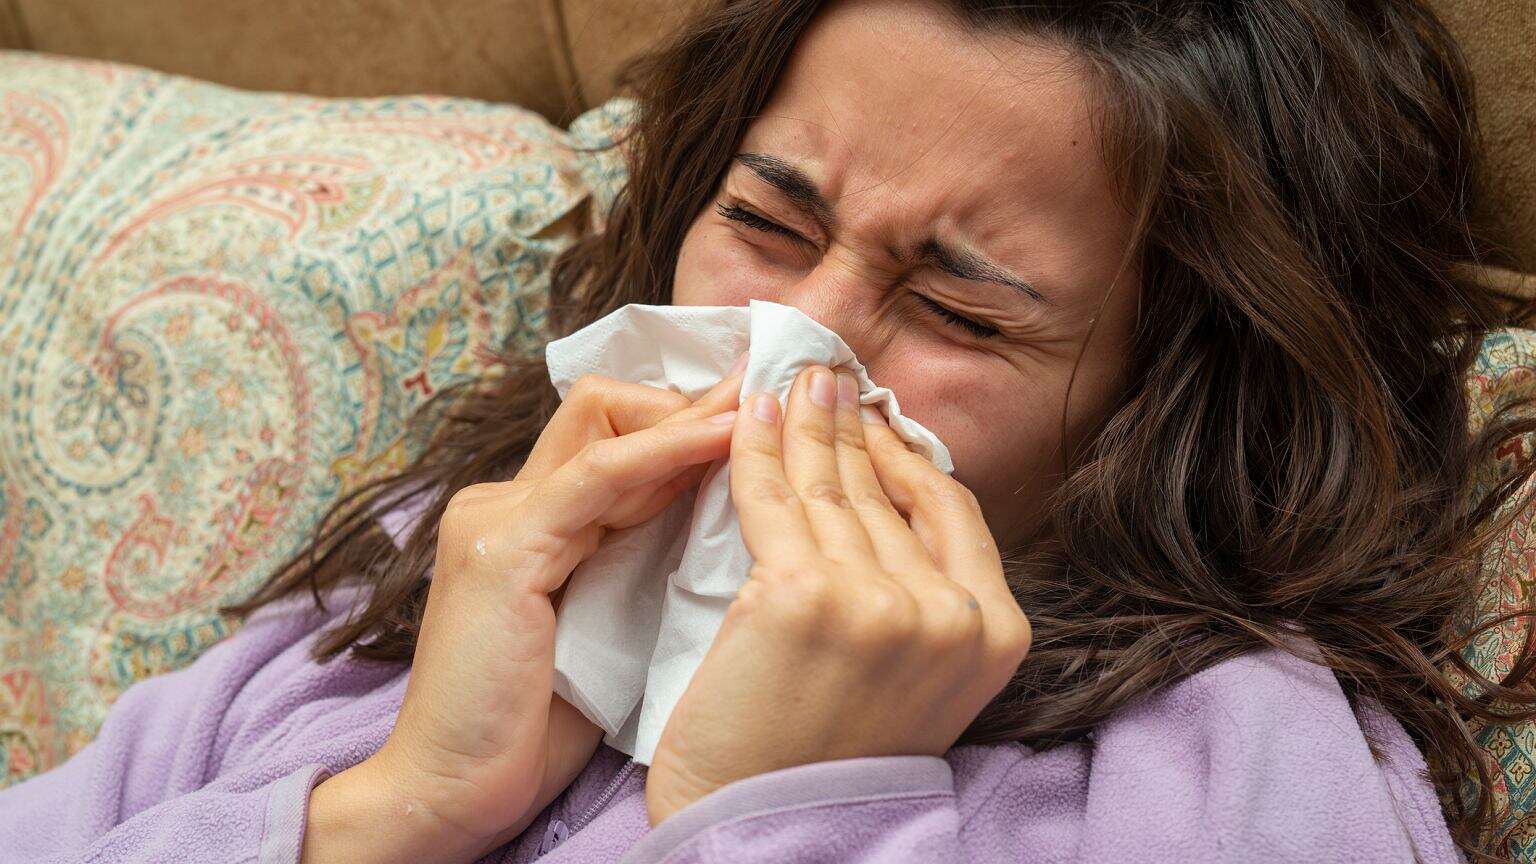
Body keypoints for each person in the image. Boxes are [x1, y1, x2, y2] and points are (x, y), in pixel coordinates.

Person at [2, 0, 1532, 861]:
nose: (801, 347)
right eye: (764, 220)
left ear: (1170, 401)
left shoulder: (1231, 771)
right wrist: (391, 809)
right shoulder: (466, 564)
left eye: (965, 313)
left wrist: (779, 816)